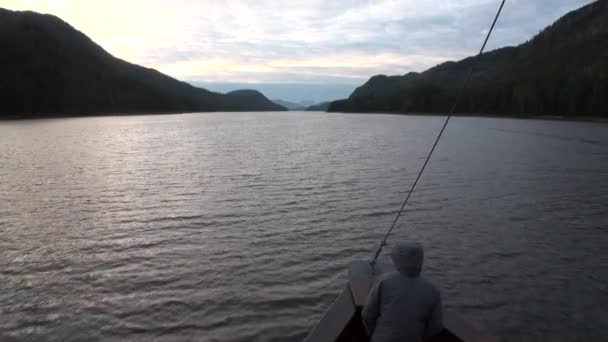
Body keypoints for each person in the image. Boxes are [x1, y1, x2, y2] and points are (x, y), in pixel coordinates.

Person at [362, 242, 443, 342]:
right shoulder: (433, 290)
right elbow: (436, 326)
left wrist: (372, 334)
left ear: (397, 259)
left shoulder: (383, 281)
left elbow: (367, 314)